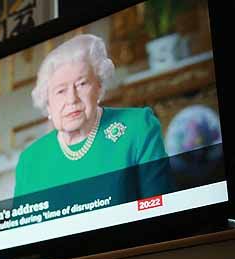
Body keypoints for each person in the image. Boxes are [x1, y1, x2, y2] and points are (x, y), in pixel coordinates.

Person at [13, 34, 173, 204]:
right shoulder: (30, 161)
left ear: (99, 86)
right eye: (60, 91)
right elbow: (24, 229)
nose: (71, 99)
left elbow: (160, 209)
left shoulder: (138, 126)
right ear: (48, 103)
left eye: (81, 84)